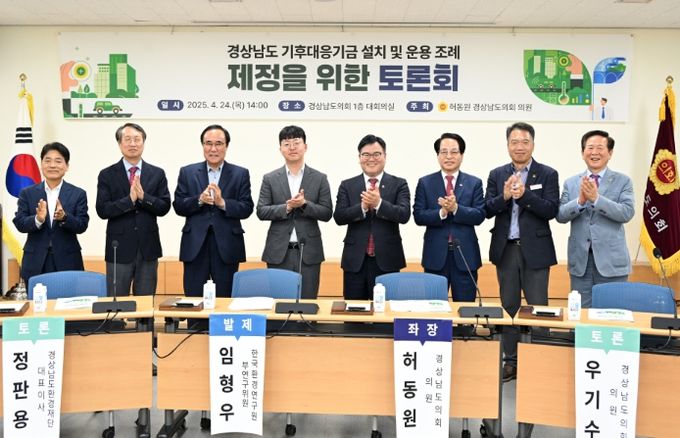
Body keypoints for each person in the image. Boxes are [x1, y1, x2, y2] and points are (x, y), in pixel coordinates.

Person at [485, 122, 559, 382]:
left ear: (533, 145)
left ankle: (542, 359)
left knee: (539, 306)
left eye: (524, 142)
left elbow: (551, 210)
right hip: (506, 249)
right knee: (509, 306)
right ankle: (511, 360)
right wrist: (505, 196)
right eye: (514, 142)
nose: (519, 147)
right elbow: (487, 209)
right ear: (507, 145)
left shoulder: (547, 174)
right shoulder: (497, 174)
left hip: (536, 250)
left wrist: (525, 195)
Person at [173, 124, 254, 298]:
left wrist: (222, 203)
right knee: (194, 297)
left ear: (226, 146)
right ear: (202, 145)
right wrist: (199, 200)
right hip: (195, 244)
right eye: (208, 143)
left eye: (218, 143)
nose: (213, 149)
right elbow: (178, 205)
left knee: (225, 298)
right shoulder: (187, 172)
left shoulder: (240, 173)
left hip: (227, 245)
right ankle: (196, 318)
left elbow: (247, 207)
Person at [556, 130, 634, 307]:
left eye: (600, 148)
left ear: (610, 153)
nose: (594, 152)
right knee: (581, 314)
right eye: (590, 148)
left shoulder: (623, 181)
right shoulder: (571, 182)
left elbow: (627, 212)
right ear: (582, 152)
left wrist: (597, 199)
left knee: (612, 313)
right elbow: (560, 215)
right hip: (581, 262)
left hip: (612, 262)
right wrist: (580, 202)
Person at [256, 125, 333, 298]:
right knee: (279, 303)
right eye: (287, 144)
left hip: (309, 252)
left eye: (296, 143)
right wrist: (288, 207)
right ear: (280, 149)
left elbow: (327, 212)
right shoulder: (270, 178)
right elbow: (261, 211)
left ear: (305, 146)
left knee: (307, 302)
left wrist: (304, 204)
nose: (292, 147)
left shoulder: (320, 178)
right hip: (278, 252)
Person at [96, 123, 171, 296]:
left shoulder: (157, 173)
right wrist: (129, 201)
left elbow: (164, 206)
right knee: (116, 303)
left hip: (148, 248)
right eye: (127, 139)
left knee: (146, 303)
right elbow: (103, 210)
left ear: (143, 142)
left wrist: (144, 197)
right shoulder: (107, 174)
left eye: (137, 139)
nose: (132, 144)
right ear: (119, 143)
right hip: (118, 248)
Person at [334, 134, 410, 300]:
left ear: (385, 156)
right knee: (354, 310)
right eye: (366, 154)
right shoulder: (347, 185)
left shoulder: (399, 184)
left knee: (386, 311)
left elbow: (404, 215)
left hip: (388, 260)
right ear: (359, 157)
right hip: (355, 261)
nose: (371, 159)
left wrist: (379, 204)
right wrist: (362, 207)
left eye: (376, 154)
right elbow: (339, 217)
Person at [413, 133, 485, 301]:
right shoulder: (425, 182)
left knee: (465, 308)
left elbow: (479, 215)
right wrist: (442, 213)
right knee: (433, 307)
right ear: (438, 155)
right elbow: (418, 215)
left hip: (465, 255)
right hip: (435, 256)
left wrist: (456, 209)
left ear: (462, 155)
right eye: (444, 152)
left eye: (454, 152)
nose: (449, 156)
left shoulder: (474, 183)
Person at [13, 142, 89, 282]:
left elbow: (82, 225)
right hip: (35, 261)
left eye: (58, 161)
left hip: (68, 260)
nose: (52, 165)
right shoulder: (27, 193)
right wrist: (38, 219)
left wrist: (65, 217)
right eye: (47, 161)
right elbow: (20, 223)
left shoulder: (78, 194)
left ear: (66, 166)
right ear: (41, 164)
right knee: (36, 296)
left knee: (68, 295)